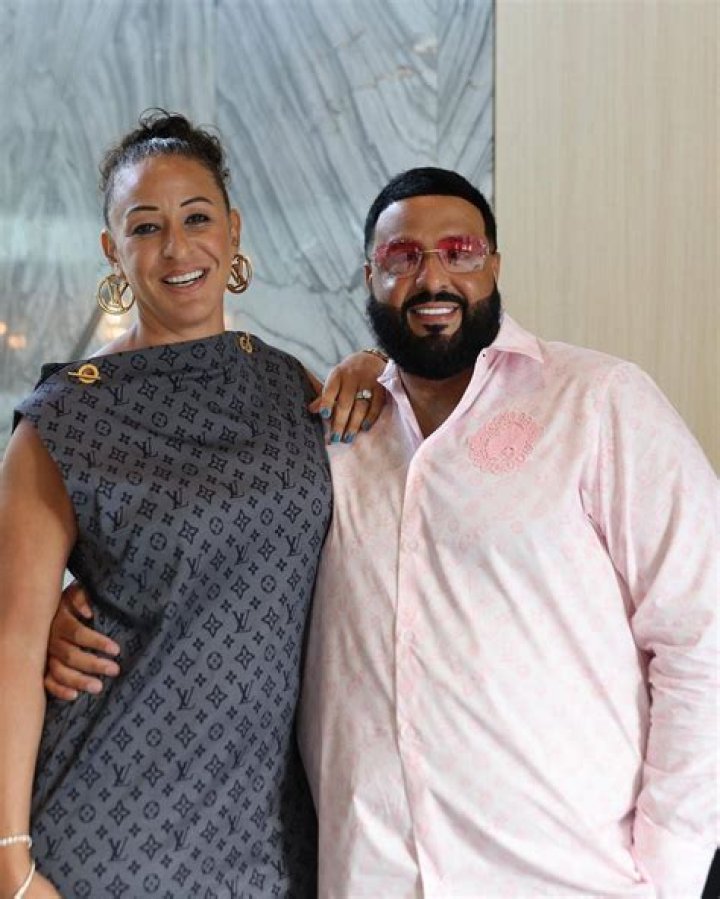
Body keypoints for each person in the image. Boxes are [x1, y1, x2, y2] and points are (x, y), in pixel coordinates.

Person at [46, 169, 718, 897]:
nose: (432, 277)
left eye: (459, 251)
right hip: (372, 877)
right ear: (369, 276)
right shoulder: (331, 433)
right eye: (402, 256)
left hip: (572, 878)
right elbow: (218, 544)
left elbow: (701, 633)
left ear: (494, 263)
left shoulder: (598, 403)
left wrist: (672, 873)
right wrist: (82, 601)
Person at [0, 110, 384, 899]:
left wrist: (380, 368)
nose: (177, 248)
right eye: (146, 227)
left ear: (233, 231)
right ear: (113, 249)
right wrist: (9, 858)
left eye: (197, 218)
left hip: (268, 833)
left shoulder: (287, 384)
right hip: (109, 830)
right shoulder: (62, 418)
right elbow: (11, 643)